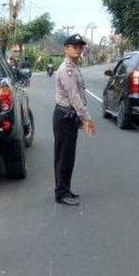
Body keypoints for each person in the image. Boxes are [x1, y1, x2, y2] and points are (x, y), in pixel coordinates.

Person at [53, 34, 96, 206]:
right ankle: (61, 193)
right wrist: (87, 118)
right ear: (66, 48)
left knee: (68, 156)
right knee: (63, 156)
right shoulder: (66, 69)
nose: (79, 49)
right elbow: (74, 97)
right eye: (75, 46)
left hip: (69, 116)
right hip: (64, 116)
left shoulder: (75, 67)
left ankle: (65, 188)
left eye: (81, 46)